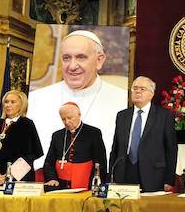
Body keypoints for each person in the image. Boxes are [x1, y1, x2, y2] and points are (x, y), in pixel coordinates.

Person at [27, 30, 126, 168]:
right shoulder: (35, 99)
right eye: (66, 58)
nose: (72, 66)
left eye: (81, 57)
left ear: (99, 60)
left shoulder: (123, 100)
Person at [110, 76, 178, 192]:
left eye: (142, 89)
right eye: (135, 88)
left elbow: (171, 149)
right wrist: (112, 174)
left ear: (151, 94)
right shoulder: (122, 116)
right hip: (124, 172)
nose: (137, 91)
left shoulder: (164, 115)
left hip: (154, 175)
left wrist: (168, 179)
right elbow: (116, 147)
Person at [0, 90, 43, 183]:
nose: (8, 105)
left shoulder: (26, 124)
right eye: (6, 102)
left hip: (19, 180)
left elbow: (30, 155)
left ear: (21, 105)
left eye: (13, 102)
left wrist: (10, 175)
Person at [43, 103, 107, 190]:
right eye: (63, 119)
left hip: (85, 184)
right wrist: (52, 178)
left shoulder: (93, 133)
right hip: (60, 186)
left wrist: (94, 184)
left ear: (79, 115)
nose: (66, 122)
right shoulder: (57, 135)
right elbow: (49, 162)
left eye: (69, 118)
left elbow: (100, 161)